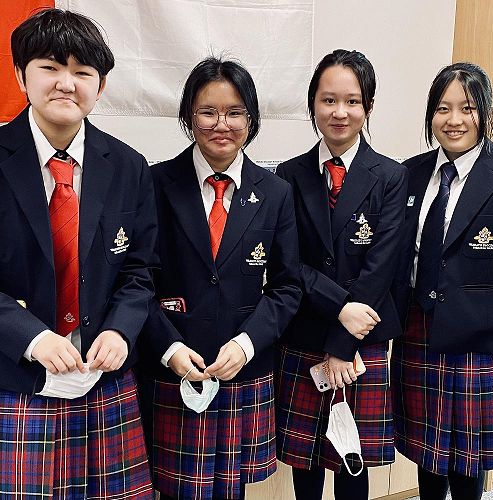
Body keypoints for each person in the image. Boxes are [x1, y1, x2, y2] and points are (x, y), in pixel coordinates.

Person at [0, 9, 157, 498]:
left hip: (102, 377)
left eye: (82, 72)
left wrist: (120, 329)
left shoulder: (129, 166)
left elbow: (140, 270)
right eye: (50, 67)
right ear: (21, 75)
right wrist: (32, 338)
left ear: (100, 86)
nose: (66, 83)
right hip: (14, 374)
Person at [137, 56, 301, 500]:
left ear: (251, 118)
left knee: (232, 489)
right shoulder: (154, 182)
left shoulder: (275, 192)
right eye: (208, 112)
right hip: (172, 365)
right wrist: (169, 347)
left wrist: (247, 344)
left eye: (234, 112)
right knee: (173, 490)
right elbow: (137, 281)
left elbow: (287, 287)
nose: (221, 124)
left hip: (241, 366)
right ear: (189, 116)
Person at [274, 49, 408, 500]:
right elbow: (288, 262)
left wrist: (342, 342)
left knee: (353, 458)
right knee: (305, 460)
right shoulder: (288, 176)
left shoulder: (391, 176)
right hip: (306, 329)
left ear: (368, 106)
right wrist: (340, 310)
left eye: (352, 101)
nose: (340, 112)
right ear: (312, 103)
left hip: (363, 337)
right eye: (328, 100)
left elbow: (382, 266)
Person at [391, 62, 493, 500]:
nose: (454, 120)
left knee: (468, 461)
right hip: (418, 328)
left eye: (467, 108)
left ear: (484, 112)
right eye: (442, 108)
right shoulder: (410, 174)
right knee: (428, 453)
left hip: (477, 338)